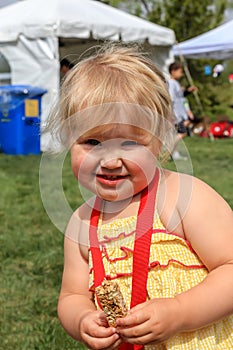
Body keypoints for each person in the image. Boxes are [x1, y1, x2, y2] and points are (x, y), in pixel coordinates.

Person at [51, 44, 233, 349]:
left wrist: (179, 312)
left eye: (128, 144)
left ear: (159, 142)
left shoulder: (183, 197)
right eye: (92, 141)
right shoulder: (81, 223)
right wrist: (82, 320)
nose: (109, 161)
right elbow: (71, 296)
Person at [168, 61, 197, 159]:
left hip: (179, 113)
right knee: (182, 133)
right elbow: (171, 98)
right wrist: (171, 113)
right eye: (180, 72)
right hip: (176, 113)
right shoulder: (171, 83)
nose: (181, 74)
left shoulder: (175, 83)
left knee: (178, 132)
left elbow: (180, 96)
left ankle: (175, 153)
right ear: (173, 71)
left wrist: (188, 91)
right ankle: (169, 147)